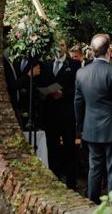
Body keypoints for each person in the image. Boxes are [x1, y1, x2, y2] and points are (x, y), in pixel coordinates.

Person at [74, 33, 112, 204]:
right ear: (109, 51)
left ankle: (92, 203)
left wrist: (81, 125)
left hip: (91, 129)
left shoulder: (81, 73)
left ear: (92, 51)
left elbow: (78, 102)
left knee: (94, 169)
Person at [38, 39, 78, 189]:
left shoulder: (73, 65)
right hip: (50, 114)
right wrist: (44, 93)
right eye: (56, 45)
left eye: (62, 45)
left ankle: (71, 183)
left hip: (67, 114)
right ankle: (54, 180)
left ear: (65, 47)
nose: (59, 48)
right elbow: (41, 85)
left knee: (69, 148)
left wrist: (64, 94)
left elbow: (77, 88)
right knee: (52, 148)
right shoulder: (46, 65)